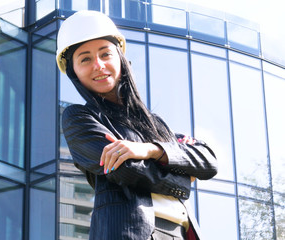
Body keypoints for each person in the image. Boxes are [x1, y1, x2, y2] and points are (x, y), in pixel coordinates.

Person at [57, 10, 218, 240]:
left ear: (120, 59)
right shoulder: (79, 118)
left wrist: (152, 150)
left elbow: (207, 159)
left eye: (105, 54)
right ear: (73, 71)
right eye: (85, 59)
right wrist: (183, 179)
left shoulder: (157, 124)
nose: (99, 65)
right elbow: (125, 169)